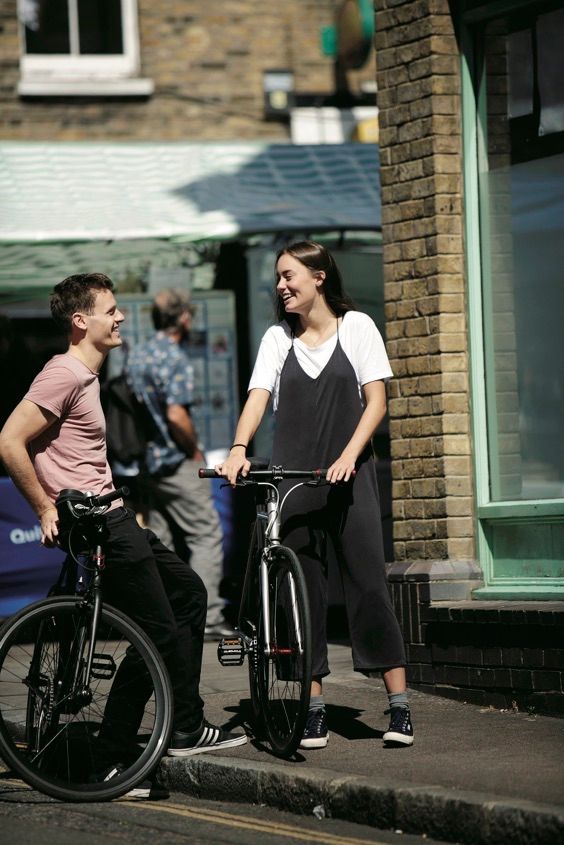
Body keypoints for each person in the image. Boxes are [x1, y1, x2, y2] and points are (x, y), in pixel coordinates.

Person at [0, 273, 246, 799]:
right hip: (96, 522)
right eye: (110, 309)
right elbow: (9, 440)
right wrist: (44, 508)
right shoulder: (63, 373)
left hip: (114, 513)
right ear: (80, 321)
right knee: (156, 631)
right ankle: (113, 757)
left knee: (189, 594)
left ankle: (183, 725)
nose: (120, 317)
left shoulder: (86, 375)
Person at [217, 241, 413, 750]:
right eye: (279, 278)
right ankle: (315, 709)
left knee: (369, 586)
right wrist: (239, 448)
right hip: (293, 483)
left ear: (318, 277)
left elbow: (376, 401)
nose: (281, 286)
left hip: (351, 479)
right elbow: (257, 400)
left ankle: (399, 706)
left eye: (289, 276)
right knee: (299, 599)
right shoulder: (277, 340)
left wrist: (350, 454)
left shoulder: (358, 327)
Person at [125, 288, 233, 641]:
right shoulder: (174, 358)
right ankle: (210, 616)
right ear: (183, 318)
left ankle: (162, 615)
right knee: (206, 534)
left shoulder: (138, 356)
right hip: (175, 461)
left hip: (148, 463)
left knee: (162, 540)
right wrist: (194, 450)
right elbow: (176, 415)